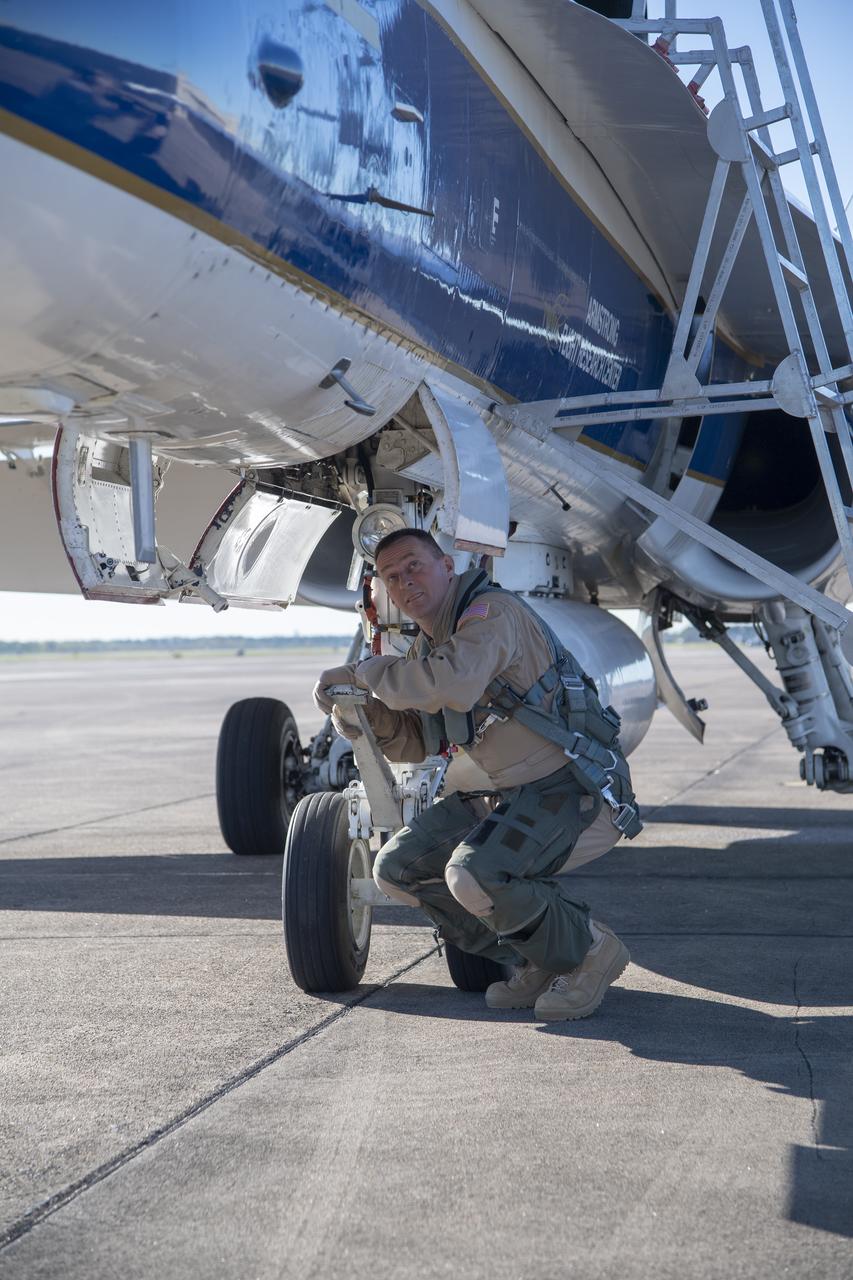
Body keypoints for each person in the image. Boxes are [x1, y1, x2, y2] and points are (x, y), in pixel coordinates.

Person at [313, 528, 641, 1021]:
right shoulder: (431, 646)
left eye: (414, 566)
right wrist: (354, 712)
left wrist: (365, 673)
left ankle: (589, 952)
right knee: (399, 869)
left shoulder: (491, 615)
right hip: (512, 792)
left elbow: (456, 684)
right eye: (392, 576)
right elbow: (416, 740)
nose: (405, 582)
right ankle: (540, 959)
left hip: (574, 790)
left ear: (447, 565)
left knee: (472, 875)